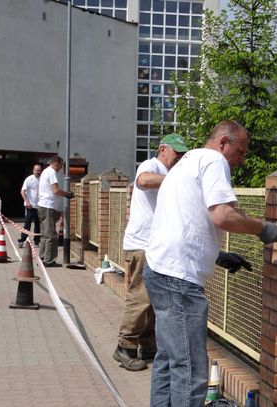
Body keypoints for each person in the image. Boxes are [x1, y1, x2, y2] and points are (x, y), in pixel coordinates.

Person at [143, 120, 277, 407]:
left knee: (168, 359)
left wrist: (216, 255)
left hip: (160, 269)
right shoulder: (213, 160)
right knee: (191, 369)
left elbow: (186, 220)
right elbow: (223, 215)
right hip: (178, 280)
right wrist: (262, 228)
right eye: (241, 152)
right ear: (223, 142)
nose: (242, 161)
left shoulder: (188, 161)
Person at [113, 133, 188, 372]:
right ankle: (124, 347)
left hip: (155, 246)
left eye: (182, 155)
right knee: (141, 297)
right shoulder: (151, 165)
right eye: (176, 153)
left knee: (153, 299)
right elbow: (143, 181)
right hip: (142, 245)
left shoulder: (168, 173)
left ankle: (147, 347)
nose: (179, 158)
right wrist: (175, 178)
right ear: (163, 149)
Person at [37, 156, 74, 267]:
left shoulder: (44, 172)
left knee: (44, 234)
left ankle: (42, 257)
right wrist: (67, 194)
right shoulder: (52, 172)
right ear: (56, 163)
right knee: (51, 235)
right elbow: (56, 190)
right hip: (48, 206)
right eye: (61, 165)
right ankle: (49, 260)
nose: (61, 168)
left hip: (42, 206)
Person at [18, 164, 42, 248]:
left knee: (38, 224)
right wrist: (27, 201)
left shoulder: (42, 179)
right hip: (30, 206)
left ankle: (37, 241)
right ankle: (22, 240)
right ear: (33, 170)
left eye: (40, 170)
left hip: (39, 206)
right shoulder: (29, 179)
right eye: (37, 170)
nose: (39, 172)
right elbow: (22, 192)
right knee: (27, 224)